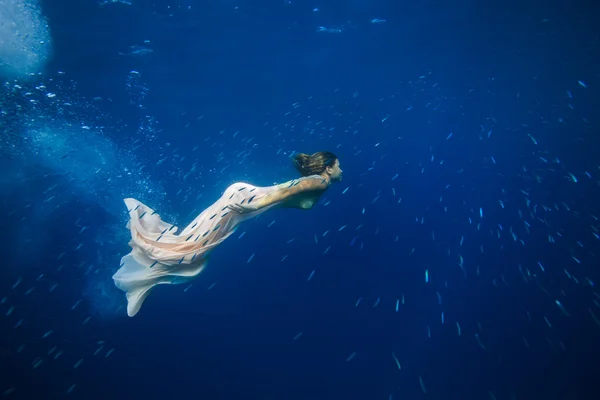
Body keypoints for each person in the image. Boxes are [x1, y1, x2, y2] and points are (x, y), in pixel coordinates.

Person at [113, 151, 343, 317]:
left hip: (244, 202)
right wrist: (251, 207)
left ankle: (143, 271)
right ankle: (141, 262)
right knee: (193, 249)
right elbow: (287, 191)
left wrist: (252, 207)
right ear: (328, 168)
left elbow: (288, 194)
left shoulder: (317, 183)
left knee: (193, 246)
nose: (342, 170)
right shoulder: (319, 182)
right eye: (339, 166)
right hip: (244, 204)